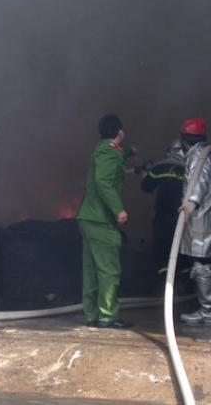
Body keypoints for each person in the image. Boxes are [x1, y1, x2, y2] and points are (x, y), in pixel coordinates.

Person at [76, 114, 135, 329]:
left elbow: (114, 158)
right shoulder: (109, 152)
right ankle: (108, 316)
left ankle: (92, 314)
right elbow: (103, 181)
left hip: (89, 219)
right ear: (120, 132)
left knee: (91, 270)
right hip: (101, 220)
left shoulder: (104, 149)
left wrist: (128, 152)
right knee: (109, 270)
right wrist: (119, 210)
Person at [177, 118, 211, 324]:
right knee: (209, 266)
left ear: (184, 141)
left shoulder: (197, 158)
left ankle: (207, 311)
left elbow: (197, 184)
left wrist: (189, 205)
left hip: (201, 220)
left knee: (201, 266)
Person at [141, 139, 186, 268]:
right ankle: (181, 273)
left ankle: (164, 273)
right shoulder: (191, 169)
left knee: (162, 249)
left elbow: (146, 186)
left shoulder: (160, 167)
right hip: (184, 217)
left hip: (163, 217)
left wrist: (146, 172)